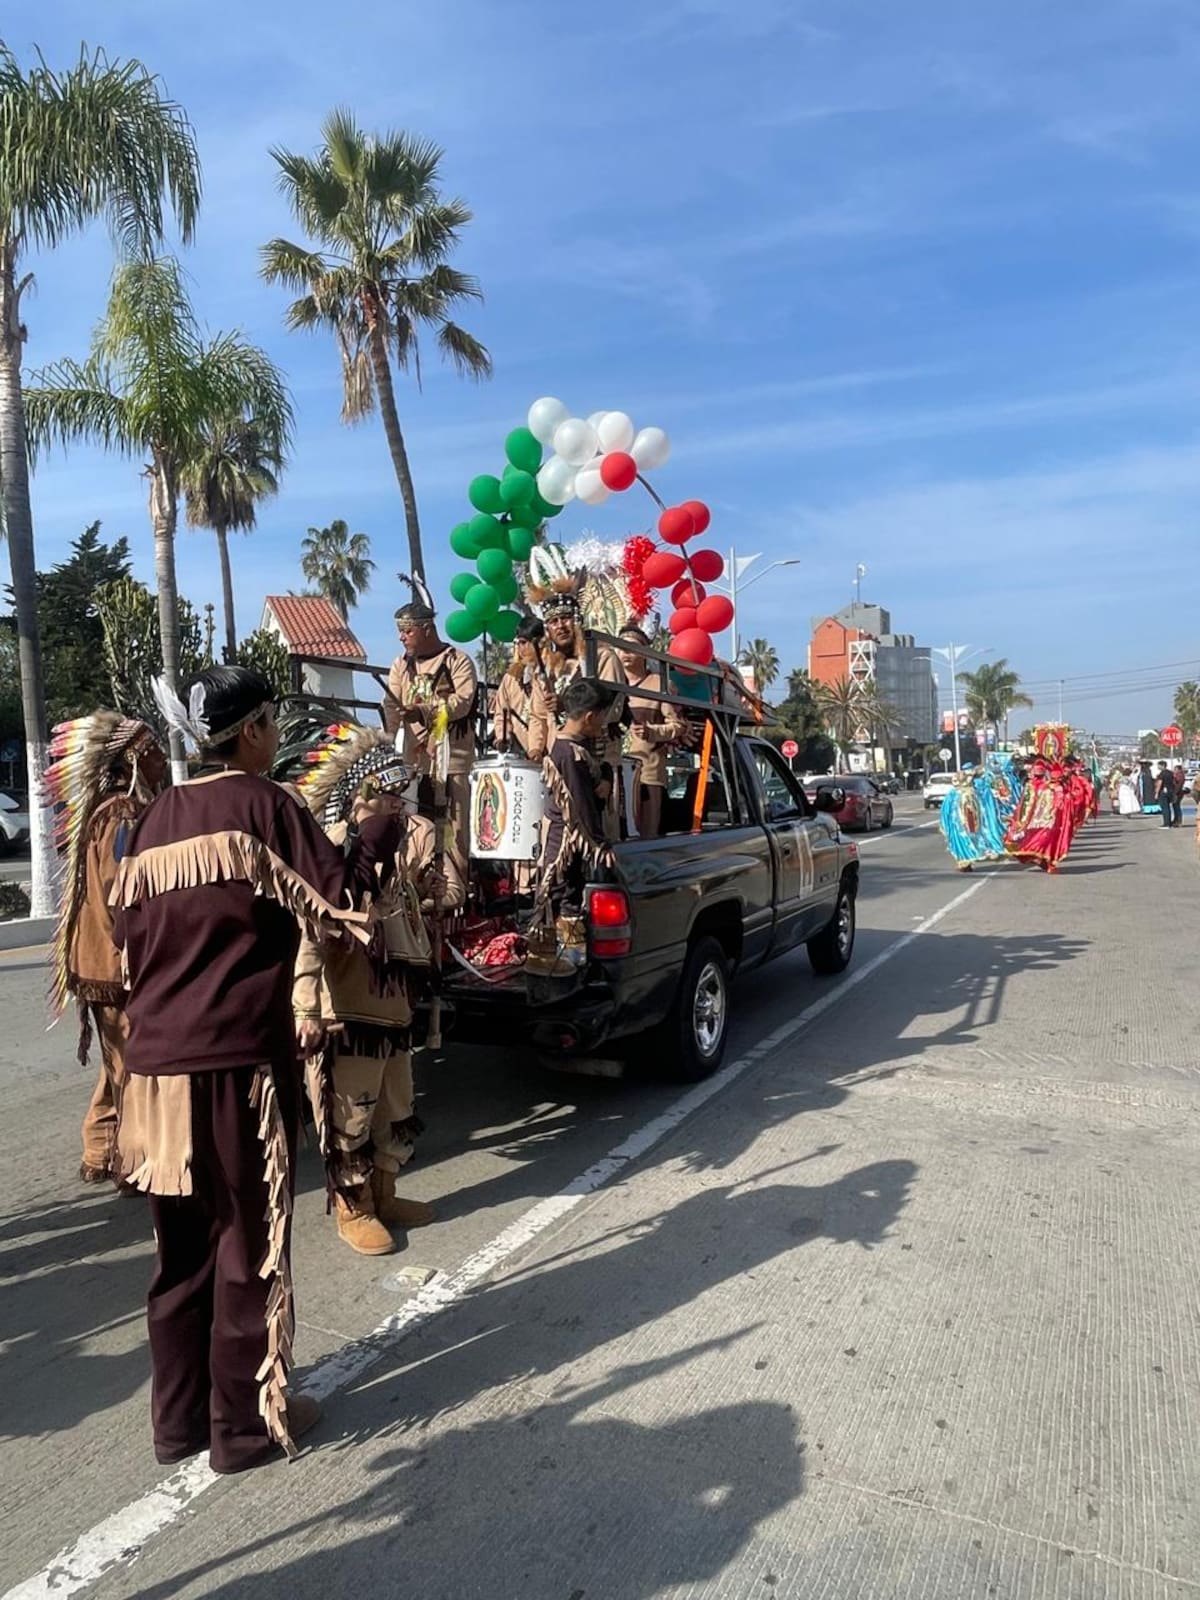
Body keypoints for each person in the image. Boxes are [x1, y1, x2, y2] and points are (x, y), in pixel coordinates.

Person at [112, 667, 400, 1474]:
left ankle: (179, 1424)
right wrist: (378, 829)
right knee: (248, 1245)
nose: (276, 737)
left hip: (155, 1071)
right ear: (251, 731)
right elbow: (343, 905)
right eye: (272, 722)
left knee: (181, 1254)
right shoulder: (266, 805)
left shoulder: (156, 816)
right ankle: (241, 1429)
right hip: (236, 1062)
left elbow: (126, 933)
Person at [292, 726, 464, 1256]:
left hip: (392, 1012)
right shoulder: (334, 852)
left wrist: (427, 895)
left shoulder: (390, 850)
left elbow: (395, 919)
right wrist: (305, 1006)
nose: (396, 802)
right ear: (358, 796)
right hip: (350, 1014)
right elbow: (313, 932)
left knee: (395, 1106)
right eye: (386, 793)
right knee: (352, 1116)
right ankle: (355, 1207)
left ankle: (385, 1194)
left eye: (398, 794)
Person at [44, 713, 166, 1186]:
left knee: (119, 1060)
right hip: (116, 964)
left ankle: (100, 1147)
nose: (161, 759)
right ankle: (130, 1164)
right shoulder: (122, 814)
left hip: (100, 959)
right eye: (153, 751)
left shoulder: (108, 809)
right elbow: (122, 893)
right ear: (132, 758)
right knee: (130, 1066)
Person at [384, 577, 478, 863]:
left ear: (427, 629)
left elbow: (462, 702)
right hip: (415, 764)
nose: (401, 638)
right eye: (400, 632)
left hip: (452, 764)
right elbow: (391, 706)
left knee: (452, 834)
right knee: (417, 832)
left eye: (407, 631)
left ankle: (455, 885)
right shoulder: (401, 664)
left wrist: (422, 712)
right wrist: (386, 744)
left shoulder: (457, 661)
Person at [528, 678, 618, 971]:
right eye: (603, 717)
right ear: (590, 716)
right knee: (560, 896)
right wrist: (600, 845)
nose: (604, 723)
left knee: (570, 893)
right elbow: (580, 807)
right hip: (563, 843)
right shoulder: (568, 754)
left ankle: (567, 961)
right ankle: (553, 965)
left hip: (572, 842)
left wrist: (606, 780)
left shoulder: (580, 747)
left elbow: (600, 771)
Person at [617, 625, 693, 837]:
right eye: (621, 647)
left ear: (644, 652)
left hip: (647, 774)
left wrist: (652, 731)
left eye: (632, 647)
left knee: (645, 835)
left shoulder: (660, 684)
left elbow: (678, 725)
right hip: (615, 772)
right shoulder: (612, 682)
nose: (626, 653)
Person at [491, 618, 545, 755]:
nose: (521, 648)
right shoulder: (511, 678)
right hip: (519, 751)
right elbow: (501, 714)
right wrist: (503, 737)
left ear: (540, 642)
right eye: (518, 643)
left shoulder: (551, 673)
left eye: (524, 642)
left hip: (549, 750)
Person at [1156, 761, 1178, 828]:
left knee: (1165, 808)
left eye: (1159, 765)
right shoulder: (1171, 773)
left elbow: (1159, 783)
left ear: (1162, 765)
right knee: (1168, 808)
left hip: (1163, 792)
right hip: (1170, 791)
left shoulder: (1162, 773)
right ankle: (1169, 823)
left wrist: (1156, 793)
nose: (1158, 767)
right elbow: (1175, 782)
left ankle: (1166, 824)